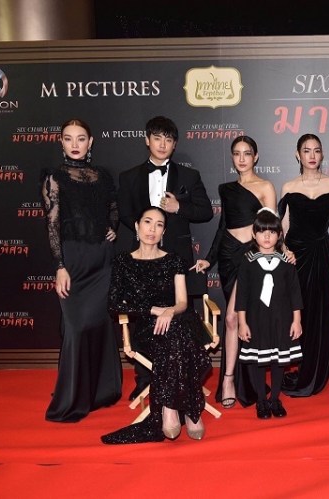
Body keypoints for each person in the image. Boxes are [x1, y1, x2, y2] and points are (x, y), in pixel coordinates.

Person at [117, 116, 213, 401]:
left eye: (168, 139)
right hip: (142, 258)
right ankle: (145, 379)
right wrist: (147, 232)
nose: (162, 144)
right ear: (147, 140)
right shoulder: (129, 176)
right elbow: (124, 213)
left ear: (174, 144)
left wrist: (178, 206)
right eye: (157, 138)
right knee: (144, 318)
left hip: (177, 260)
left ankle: (185, 379)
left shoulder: (189, 176)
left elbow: (205, 211)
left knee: (180, 317)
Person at [102, 206, 212, 444]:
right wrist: (153, 310)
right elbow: (113, 304)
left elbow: (182, 302)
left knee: (176, 331)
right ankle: (192, 410)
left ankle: (170, 407)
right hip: (147, 327)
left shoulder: (174, 260)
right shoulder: (123, 261)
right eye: (147, 222)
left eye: (159, 225)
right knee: (176, 338)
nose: (152, 229)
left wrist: (170, 311)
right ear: (137, 226)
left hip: (179, 319)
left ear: (164, 232)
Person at [41, 118, 122, 423]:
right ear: (61, 142)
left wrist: (112, 227)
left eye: (81, 138)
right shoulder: (54, 177)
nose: (75, 144)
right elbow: (51, 224)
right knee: (75, 328)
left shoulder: (103, 175)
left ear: (91, 142)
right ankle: (72, 399)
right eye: (68, 138)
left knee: (99, 325)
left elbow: (113, 207)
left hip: (102, 259)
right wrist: (60, 266)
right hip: (73, 260)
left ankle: (101, 391)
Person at [192, 136, 277, 409]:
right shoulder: (226, 189)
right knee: (238, 321)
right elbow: (222, 227)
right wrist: (209, 260)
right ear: (232, 157)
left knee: (231, 317)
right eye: (237, 153)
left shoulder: (265, 187)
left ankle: (229, 379)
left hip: (252, 256)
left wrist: (275, 257)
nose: (242, 159)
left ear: (256, 157)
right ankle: (240, 379)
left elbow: (272, 228)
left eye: (247, 153)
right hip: (228, 255)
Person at [279, 133, 329, 399]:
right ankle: (307, 366)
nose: (312, 155)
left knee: (328, 313)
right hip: (295, 257)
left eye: (317, 150)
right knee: (301, 315)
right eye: (306, 150)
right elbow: (283, 225)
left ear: (322, 154)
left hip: (322, 253)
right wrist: (284, 251)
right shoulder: (288, 186)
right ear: (298, 155)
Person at [235, 209, 303, 419]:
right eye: (262, 231)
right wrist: (242, 323)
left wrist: (297, 320)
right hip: (256, 320)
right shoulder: (247, 261)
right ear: (254, 234)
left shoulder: (287, 261)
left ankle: (274, 399)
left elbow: (295, 292)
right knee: (258, 360)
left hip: (281, 319)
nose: (267, 236)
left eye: (272, 232)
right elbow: (242, 295)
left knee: (278, 361)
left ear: (279, 235)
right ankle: (261, 401)